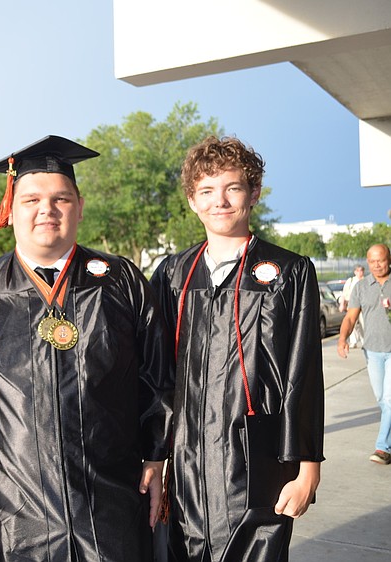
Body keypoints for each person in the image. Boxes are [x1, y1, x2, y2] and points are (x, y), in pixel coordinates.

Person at [0, 135, 173, 561]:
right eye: (31, 199)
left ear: (80, 207)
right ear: (10, 211)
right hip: (18, 510)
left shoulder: (120, 281)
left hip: (112, 502)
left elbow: (157, 378)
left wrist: (156, 457)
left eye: (61, 199)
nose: (46, 210)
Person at [150, 136, 324, 562]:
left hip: (258, 459)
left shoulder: (288, 272)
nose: (220, 202)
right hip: (188, 459)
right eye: (207, 191)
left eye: (233, 188)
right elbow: (156, 376)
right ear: (193, 200)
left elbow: (303, 372)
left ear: (254, 193)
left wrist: (308, 469)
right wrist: (153, 456)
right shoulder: (173, 275)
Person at [337, 244, 391, 465]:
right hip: (372, 351)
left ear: (389, 259)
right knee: (382, 399)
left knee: (389, 399)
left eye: (381, 260)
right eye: (372, 261)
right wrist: (343, 340)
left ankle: (382, 447)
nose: (376, 265)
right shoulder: (361, 287)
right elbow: (350, 318)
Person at [340, 265, 365, 347]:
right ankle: (353, 341)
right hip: (351, 304)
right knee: (352, 323)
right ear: (355, 272)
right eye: (358, 271)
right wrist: (342, 304)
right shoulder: (350, 281)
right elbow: (344, 294)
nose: (360, 272)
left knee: (363, 324)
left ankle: (364, 341)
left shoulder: (366, 281)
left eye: (361, 271)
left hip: (363, 306)